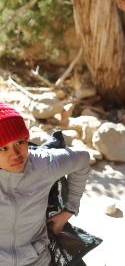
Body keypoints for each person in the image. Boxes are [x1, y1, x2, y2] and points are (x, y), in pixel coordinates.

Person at [0, 102, 91, 266]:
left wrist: (70, 209)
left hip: (38, 260)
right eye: (2, 149)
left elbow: (83, 159)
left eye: (20, 142)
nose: (15, 155)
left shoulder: (44, 164)